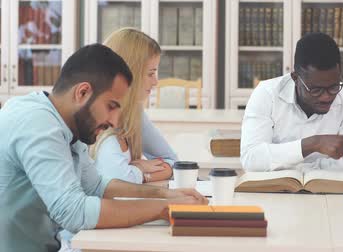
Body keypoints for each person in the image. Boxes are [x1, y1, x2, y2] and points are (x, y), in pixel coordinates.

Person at [0, 44, 207, 252]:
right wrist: (164, 209)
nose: (115, 123)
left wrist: (165, 195)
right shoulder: (38, 124)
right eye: (111, 106)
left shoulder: (68, 124)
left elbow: (96, 186)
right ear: (82, 93)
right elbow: (74, 212)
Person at [240, 32, 343, 174]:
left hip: (328, 192)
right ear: (295, 78)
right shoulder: (266, 94)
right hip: (273, 192)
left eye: (333, 87)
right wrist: (312, 144)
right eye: (316, 90)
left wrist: (293, 167)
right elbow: (251, 160)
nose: (326, 97)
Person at [90, 28, 177, 184]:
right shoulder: (101, 129)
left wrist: (138, 173)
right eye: (150, 74)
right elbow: (120, 180)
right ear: (130, 74)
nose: (156, 82)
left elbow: (172, 162)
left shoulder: (134, 113)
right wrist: (139, 170)